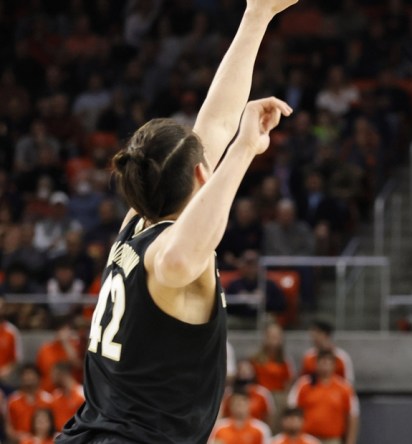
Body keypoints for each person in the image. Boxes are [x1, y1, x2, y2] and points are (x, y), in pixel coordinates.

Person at [56, 0, 297, 442]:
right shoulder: (171, 259)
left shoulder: (138, 221)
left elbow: (218, 120)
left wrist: (257, 15)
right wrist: (244, 151)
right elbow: (187, 251)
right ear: (202, 174)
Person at [288, 351, 360, 444]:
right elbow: (291, 411)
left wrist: (350, 441)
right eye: (322, 362)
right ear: (316, 364)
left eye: (328, 363)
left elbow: (352, 416)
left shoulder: (344, 388)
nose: (325, 366)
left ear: (334, 365)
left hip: (332, 439)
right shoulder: (304, 384)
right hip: (308, 438)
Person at [7, 364, 53, 442]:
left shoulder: (48, 399)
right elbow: (9, 426)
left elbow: (54, 425)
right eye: (26, 374)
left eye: (31, 374)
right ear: (21, 378)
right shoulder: (13, 400)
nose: (28, 377)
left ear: (38, 377)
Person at [49, 362, 85, 431]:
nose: (51, 378)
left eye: (53, 374)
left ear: (61, 374)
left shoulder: (82, 394)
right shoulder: (55, 396)